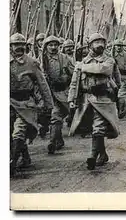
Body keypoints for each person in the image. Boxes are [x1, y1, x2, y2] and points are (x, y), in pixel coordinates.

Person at [67, 33, 120, 170]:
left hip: (103, 98)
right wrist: (72, 99)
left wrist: (82, 67)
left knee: (98, 127)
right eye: (96, 42)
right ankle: (102, 154)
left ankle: (92, 155)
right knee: (93, 128)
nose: (99, 45)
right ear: (90, 45)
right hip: (86, 100)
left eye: (101, 42)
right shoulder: (83, 61)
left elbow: (105, 70)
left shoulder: (108, 60)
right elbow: (74, 83)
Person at [10, 33, 53, 175]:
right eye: (16, 45)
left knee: (19, 132)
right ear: (10, 47)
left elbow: (42, 84)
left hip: (26, 103)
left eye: (22, 45)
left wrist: (48, 104)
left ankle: (12, 164)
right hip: (9, 103)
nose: (19, 48)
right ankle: (25, 156)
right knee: (9, 132)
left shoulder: (32, 63)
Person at [40, 35, 75, 154]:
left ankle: (55, 140)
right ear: (46, 47)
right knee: (55, 117)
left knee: (57, 116)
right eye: (50, 45)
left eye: (55, 45)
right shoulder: (41, 60)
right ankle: (55, 141)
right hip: (48, 93)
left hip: (62, 92)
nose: (53, 47)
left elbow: (74, 74)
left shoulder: (64, 58)